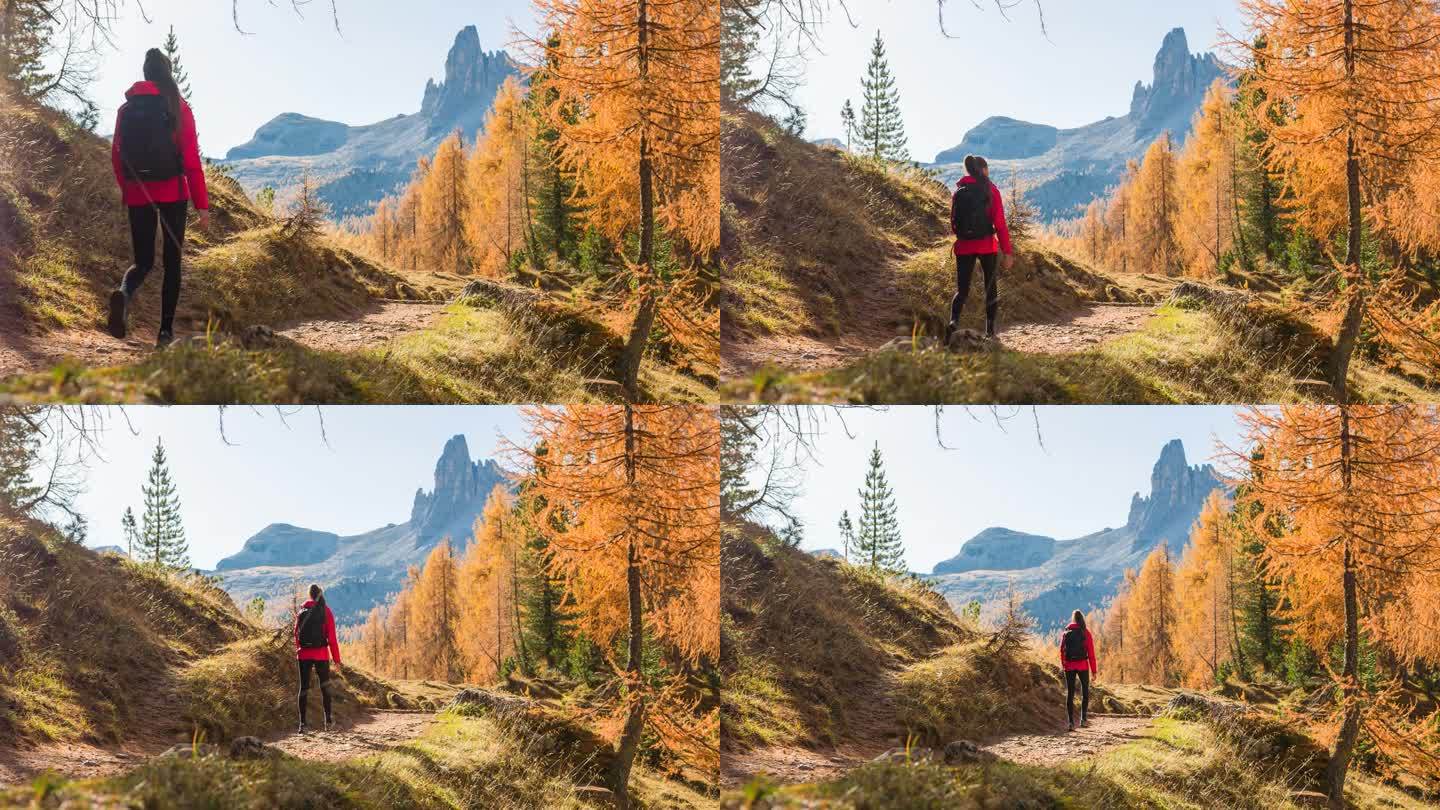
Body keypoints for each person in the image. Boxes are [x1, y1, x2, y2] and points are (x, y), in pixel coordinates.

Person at [108, 47, 210, 348]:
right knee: (172, 261)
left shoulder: (126, 110)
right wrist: (202, 206)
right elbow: (191, 161)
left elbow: (117, 155)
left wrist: (129, 189)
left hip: (139, 192)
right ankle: (165, 334)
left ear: (145, 73)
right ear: (167, 73)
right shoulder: (178, 107)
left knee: (142, 262)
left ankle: (124, 295)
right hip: (173, 193)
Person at [947, 154, 1014, 343]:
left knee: (962, 290)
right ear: (983, 170)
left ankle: (953, 322)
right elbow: (1000, 224)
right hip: (987, 246)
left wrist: (965, 236)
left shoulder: (960, 191)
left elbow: (954, 223)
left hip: (964, 246)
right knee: (990, 288)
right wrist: (1007, 252)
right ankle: (990, 332)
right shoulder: (991, 190)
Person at [295, 584, 341, 733]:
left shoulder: (302, 610)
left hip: (303, 654)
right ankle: (328, 722)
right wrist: (337, 659)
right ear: (320, 594)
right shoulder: (326, 611)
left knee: (304, 688)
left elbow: (296, 633)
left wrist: (300, 649)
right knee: (325, 687)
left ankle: (302, 724)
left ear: (309, 595)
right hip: (321, 654)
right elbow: (332, 638)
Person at [1059, 609, 1098, 732]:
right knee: (1085, 692)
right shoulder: (1085, 632)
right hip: (1082, 665)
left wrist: (1064, 664)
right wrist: (1094, 671)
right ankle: (1083, 719)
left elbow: (1062, 650)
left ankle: (1070, 723)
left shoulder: (1066, 632)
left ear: (1073, 619)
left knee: (1070, 693)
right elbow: (1091, 653)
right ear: (1082, 619)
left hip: (1069, 666)